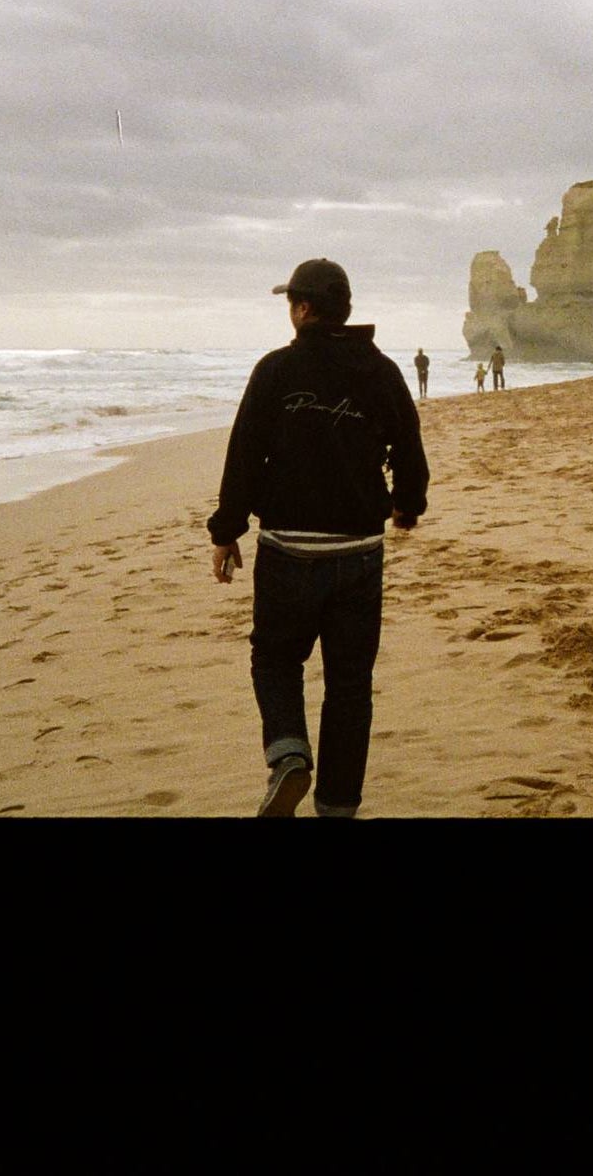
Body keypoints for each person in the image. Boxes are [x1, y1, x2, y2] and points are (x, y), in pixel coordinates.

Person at [207, 258, 429, 819]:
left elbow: (244, 456)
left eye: (291, 303)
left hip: (287, 551)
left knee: (276, 660)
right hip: (358, 552)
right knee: (350, 685)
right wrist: (407, 506)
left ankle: (288, 755)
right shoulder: (381, 372)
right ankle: (336, 807)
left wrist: (227, 529)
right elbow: (409, 446)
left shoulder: (276, 370)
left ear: (303, 309)